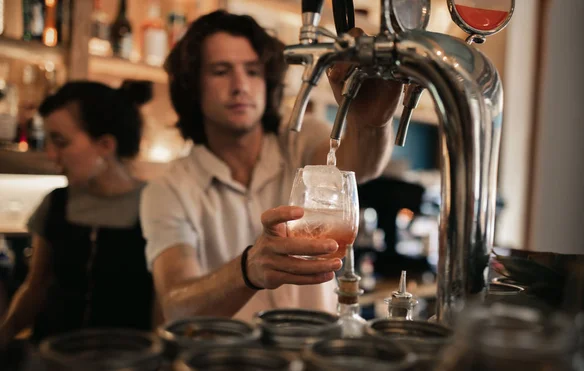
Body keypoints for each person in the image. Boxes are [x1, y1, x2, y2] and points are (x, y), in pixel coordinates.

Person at [140, 10, 403, 322]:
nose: (240, 86)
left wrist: (372, 123)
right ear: (192, 86)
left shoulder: (300, 142)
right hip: (227, 364)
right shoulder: (169, 189)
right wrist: (247, 270)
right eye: (221, 71)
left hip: (314, 353)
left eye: (252, 71)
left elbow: (362, 165)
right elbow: (176, 305)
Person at [0, 80, 155, 346]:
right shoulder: (56, 203)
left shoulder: (157, 205)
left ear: (105, 145)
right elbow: (36, 286)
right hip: (52, 362)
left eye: (60, 141)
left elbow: (161, 303)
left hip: (125, 366)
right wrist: (6, 332)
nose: (51, 154)